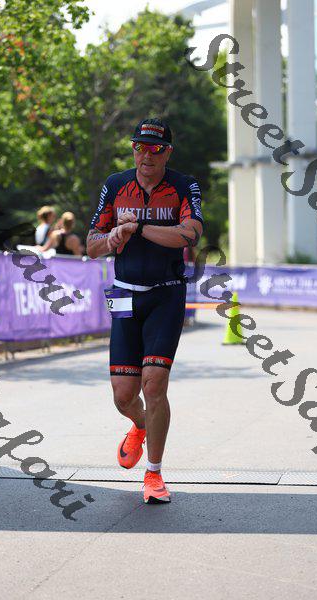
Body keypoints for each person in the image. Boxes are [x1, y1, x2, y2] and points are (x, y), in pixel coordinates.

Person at [86, 117, 203, 504]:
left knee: (154, 383)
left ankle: (153, 474)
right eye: (139, 147)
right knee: (123, 395)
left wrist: (138, 228)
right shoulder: (116, 184)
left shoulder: (184, 185)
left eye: (155, 149)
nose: (146, 155)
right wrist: (113, 236)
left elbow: (190, 234)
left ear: (168, 152)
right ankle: (139, 426)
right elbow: (91, 244)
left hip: (166, 295)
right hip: (123, 293)